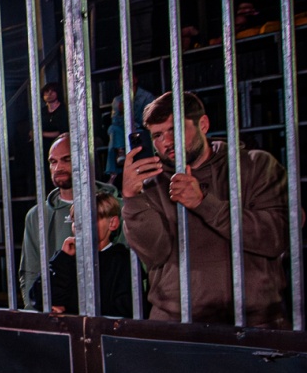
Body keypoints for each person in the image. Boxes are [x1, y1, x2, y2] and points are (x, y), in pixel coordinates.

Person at [121, 91, 289, 327]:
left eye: (174, 130)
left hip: (255, 321)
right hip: (176, 322)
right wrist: (132, 198)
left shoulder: (255, 165)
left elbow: (277, 237)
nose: (166, 142)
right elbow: (154, 254)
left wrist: (204, 203)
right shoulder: (150, 184)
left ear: (203, 124)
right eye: (157, 135)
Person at [20, 134, 116, 311]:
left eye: (66, 159)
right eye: (53, 162)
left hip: (106, 315)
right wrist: (37, 314)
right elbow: (30, 272)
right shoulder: (36, 216)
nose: (58, 167)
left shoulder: (115, 206)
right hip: (55, 318)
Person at [44, 192, 133, 316]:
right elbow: (40, 297)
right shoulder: (67, 258)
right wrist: (63, 258)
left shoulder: (123, 260)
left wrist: (70, 311)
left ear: (112, 223)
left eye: (91, 219)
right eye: (76, 220)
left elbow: (125, 309)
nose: (80, 226)